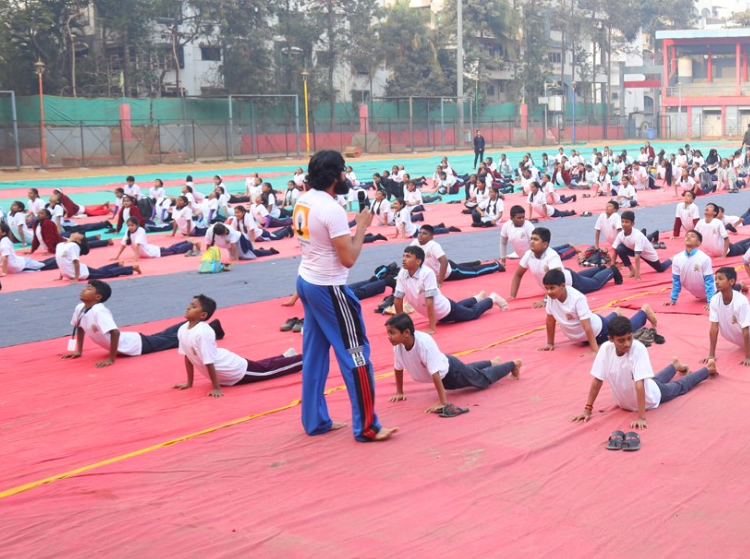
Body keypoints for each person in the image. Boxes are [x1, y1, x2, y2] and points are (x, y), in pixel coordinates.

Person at [291, 150, 394, 442]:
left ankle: (315, 420)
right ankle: (367, 426)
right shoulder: (332, 209)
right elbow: (348, 258)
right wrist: (361, 227)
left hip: (307, 281)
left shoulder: (304, 200)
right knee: (357, 355)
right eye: (345, 172)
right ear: (335, 176)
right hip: (328, 288)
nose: (347, 177)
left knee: (314, 355)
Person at [571, 314, 715, 431]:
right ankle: (674, 366)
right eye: (621, 340)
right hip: (630, 399)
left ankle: (707, 369)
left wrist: (641, 417)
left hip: (650, 398)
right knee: (654, 380)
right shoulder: (605, 349)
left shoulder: (638, 349)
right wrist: (587, 409)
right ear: (610, 340)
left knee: (679, 386)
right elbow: (597, 380)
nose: (627, 343)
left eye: (629, 338)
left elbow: (639, 385)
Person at [384, 312, 521, 417]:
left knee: (482, 380)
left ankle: (512, 365)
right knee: (469, 371)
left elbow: (435, 373)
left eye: (392, 333)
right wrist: (399, 392)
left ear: (406, 332)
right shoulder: (398, 345)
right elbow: (398, 368)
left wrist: (442, 403)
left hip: (451, 373)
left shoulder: (424, 343)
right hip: (448, 368)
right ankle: (492, 362)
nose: (389, 337)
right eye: (388, 333)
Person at [173, 294, 303, 397]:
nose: (188, 308)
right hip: (225, 370)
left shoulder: (202, 332)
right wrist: (189, 383)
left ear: (203, 315)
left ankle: (306, 359)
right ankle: (285, 356)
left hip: (234, 371)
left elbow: (209, 361)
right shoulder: (183, 329)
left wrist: (216, 388)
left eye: (193, 306)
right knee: (261, 366)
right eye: (190, 305)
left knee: (268, 371)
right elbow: (187, 356)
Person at [61, 279, 204, 368]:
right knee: (163, 336)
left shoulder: (99, 311)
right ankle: (188, 323)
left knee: (172, 340)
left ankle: (208, 328)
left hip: (134, 345)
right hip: (130, 340)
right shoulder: (80, 308)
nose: (83, 289)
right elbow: (79, 327)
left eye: (89, 288)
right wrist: (78, 350)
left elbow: (114, 332)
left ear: (98, 297)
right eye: (86, 287)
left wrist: (111, 358)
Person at [538, 268, 657, 351]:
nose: (549, 292)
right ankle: (615, 313)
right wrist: (550, 343)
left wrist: (594, 350)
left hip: (599, 333)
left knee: (625, 329)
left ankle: (644, 312)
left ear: (563, 286)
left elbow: (587, 326)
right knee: (606, 321)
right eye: (546, 288)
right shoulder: (551, 297)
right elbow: (550, 320)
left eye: (552, 288)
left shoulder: (577, 298)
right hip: (587, 330)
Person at [393, 245, 506, 330]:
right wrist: (400, 325)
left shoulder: (427, 273)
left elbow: (429, 301)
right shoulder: (403, 273)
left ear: (418, 261)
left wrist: (432, 328)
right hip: (439, 313)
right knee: (459, 307)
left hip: (445, 311)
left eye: (408, 257)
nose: (403, 259)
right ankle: (477, 298)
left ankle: (492, 298)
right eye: (403, 256)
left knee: (472, 313)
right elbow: (398, 300)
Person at [666, 229, 716, 306]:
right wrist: (673, 299)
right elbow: (676, 281)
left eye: (692, 236)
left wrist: (710, 302)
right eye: (687, 236)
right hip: (697, 294)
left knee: (727, 290)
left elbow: (709, 282)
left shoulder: (704, 258)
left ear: (698, 243)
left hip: (715, 291)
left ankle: (740, 286)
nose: (688, 237)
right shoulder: (677, 258)